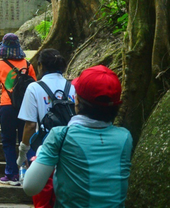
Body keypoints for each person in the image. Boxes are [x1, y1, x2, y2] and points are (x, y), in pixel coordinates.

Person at [23, 65, 132, 208]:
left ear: (77, 101)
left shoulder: (60, 136)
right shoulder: (125, 138)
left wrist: (41, 152)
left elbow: (30, 187)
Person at [17, 49, 76, 207]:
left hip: (44, 149)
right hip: (70, 146)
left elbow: (29, 125)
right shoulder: (72, 87)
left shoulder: (34, 88)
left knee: (43, 195)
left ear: (41, 65)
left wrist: (22, 152)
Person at [0, 33, 36, 186]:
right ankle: (30, 174)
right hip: (26, 108)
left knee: (8, 141)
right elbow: (34, 88)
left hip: (7, 107)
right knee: (26, 140)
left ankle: (11, 174)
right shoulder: (28, 65)